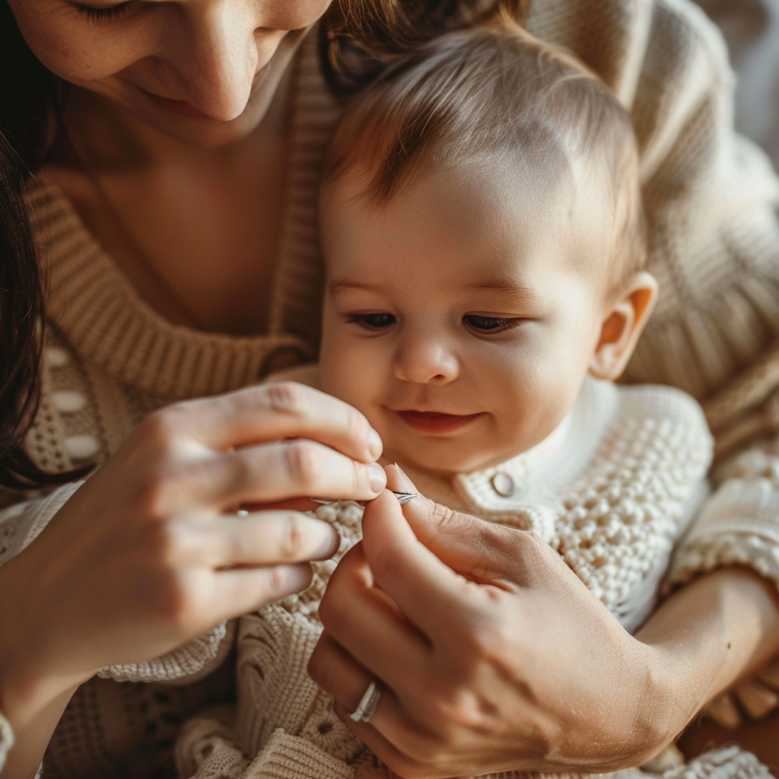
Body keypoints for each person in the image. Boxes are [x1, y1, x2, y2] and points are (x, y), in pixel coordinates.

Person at [1, 1, 779, 778]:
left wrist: (658, 689)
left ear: (612, 333)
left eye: (486, 319)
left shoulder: (655, 440)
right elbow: (135, 592)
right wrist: (27, 629)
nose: (223, 85)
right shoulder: (290, 455)